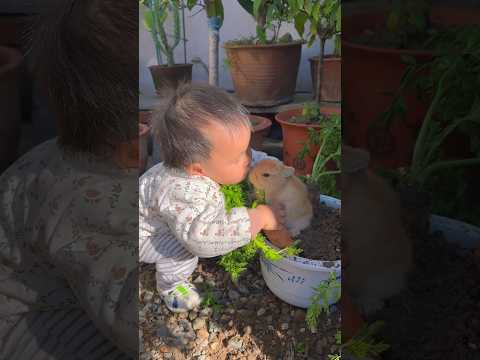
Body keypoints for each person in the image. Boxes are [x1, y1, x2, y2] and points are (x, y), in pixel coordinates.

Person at [0, 1, 138, 358]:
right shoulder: (94, 204)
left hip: (48, 284)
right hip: (25, 323)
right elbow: (132, 321)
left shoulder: (80, 150)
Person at [139, 83, 288, 313]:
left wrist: (270, 167)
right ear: (198, 170)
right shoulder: (182, 192)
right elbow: (200, 237)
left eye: (247, 148)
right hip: (147, 234)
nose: (247, 158)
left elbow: (249, 159)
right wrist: (257, 218)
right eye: (237, 157)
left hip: (166, 218)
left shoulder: (207, 165)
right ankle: (172, 286)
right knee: (183, 246)